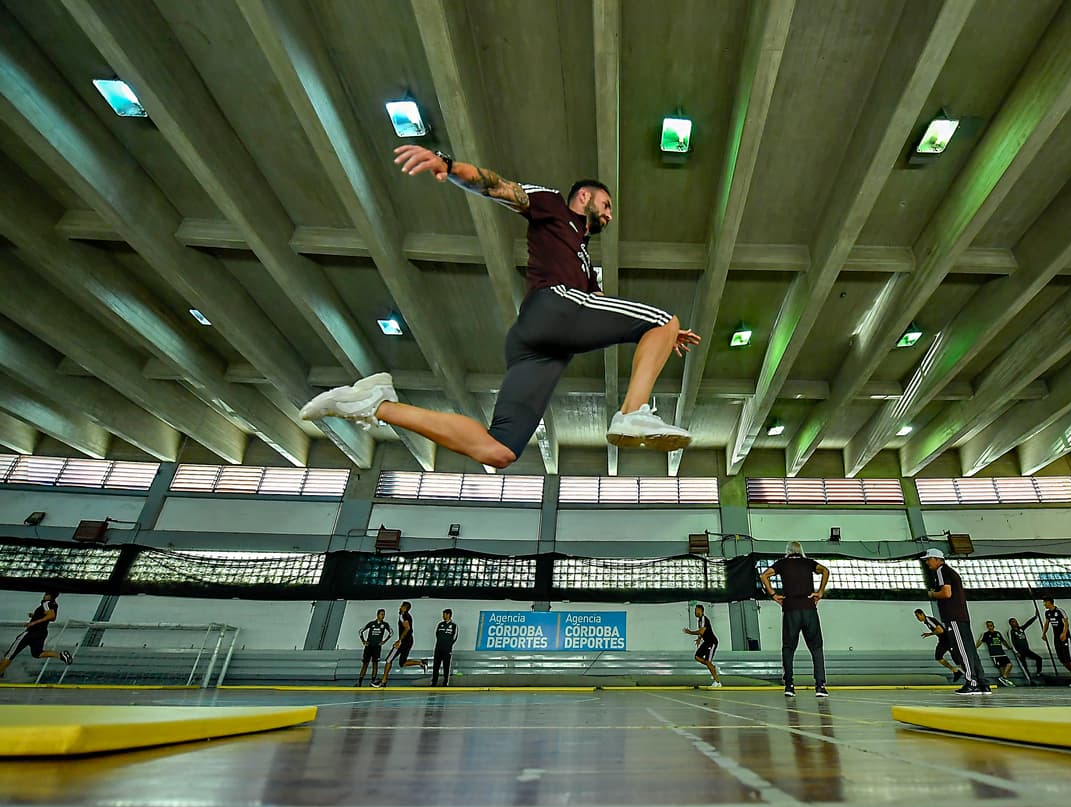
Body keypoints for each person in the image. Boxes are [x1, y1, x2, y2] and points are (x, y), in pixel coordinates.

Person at [299, 146, 701, 466]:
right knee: (664, 318)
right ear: (585, 196)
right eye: (607, 205)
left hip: (539, 347)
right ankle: (632, 413)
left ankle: (375, 403)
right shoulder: (554, 206)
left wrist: (663, 336)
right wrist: (448, 165)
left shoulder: (582, 258)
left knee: (499, 451)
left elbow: (599, 309)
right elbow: (500, 188)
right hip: (551, 306)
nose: (609, 215)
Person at [760, 542, 830, 697]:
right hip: (809, 608)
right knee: (816, 648)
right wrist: (820, 592)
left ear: (788, 552)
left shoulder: (782, 563)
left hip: (791, 609)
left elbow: (763, 575)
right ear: (801, 551)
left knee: (788, 648)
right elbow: (825, 571)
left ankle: (789, 686)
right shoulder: (809, 563)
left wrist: (773, 595)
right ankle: (820, 686)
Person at [922, 548, 989, 696]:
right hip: (962, 616)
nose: (927, 563)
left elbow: (946, 593)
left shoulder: (941, 571)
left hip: (953, 617)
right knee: (970, 650)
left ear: (937, 559)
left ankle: (971, 682)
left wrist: (932, 594)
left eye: (929, 560)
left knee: (962, 649)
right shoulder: (951, 572)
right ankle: (983, 683)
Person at [0, 591, 73, 679]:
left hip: (31, 632)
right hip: (41, 633)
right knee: (37, 653)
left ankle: (1, 672)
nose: (44, 596)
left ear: (50, 596)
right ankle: (61, 655)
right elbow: (51, 617)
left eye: (46, 594)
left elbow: (51, 616)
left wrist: (33, 622)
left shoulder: (46, 603)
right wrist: (34, 616)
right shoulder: (53, 604)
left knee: (10, 654)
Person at [378, 601, 425, 687]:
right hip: (409, 641)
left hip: (404, 642)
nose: (399, 608)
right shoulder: (408, 616)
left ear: (404, 608)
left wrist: (399, 640)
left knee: (389, 660)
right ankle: (421, 663)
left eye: (401, 606)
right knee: (402, 663)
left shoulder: (403, 615)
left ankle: (383, 682)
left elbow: (407, 628)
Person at [1041, 598, 1071, 687]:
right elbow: (1047, 623)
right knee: (1062, 660)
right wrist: (1044, 633)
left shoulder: (1060, 611)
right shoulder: (1047, 613)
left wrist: (1064, 633)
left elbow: (1066, 623)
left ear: (1049, 602)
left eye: (1045, 602)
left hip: (1065, 638)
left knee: (1069, 659)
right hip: (1056, 638)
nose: (1044, 604)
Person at [915, 609, 961, 682]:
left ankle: (968, 673)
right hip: (943, 640)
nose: (917, 618)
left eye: (918, 616)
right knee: (938, 657)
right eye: (916, 617)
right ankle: (955, 671)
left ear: (922, 614)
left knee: (957, 658)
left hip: (947, 640)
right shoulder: (926, 622)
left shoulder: (929, 620)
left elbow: (940, 630)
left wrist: (930, 634)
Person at [682, 604, 721, 688]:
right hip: (706, 642)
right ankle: (713, 667)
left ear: (700, 610)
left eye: (696, 610)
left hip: (712, 642)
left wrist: (690, 632)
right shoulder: (699, 620)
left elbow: (701, 631)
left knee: (708, 661)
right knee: (697, 657)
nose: (694, 612)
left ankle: (717, 682)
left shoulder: (703, 618)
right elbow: (702, 632)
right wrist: (699, 638)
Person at [356, 607, 393, 687]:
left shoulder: (385, 624)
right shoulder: (371, 623)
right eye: (381, 614)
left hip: (377, 647)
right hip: (369, 646)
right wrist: (363, 641)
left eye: (384, 615)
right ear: (377, 615)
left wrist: (384, 641)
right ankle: (359, 682)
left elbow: (391, 633)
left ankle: (372, 682)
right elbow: (360, 631)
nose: (383, 616)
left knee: (375, 664)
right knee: (365, 664)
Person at [976, 620, 1015, 686]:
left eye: (991, 625)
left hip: (1002, 653)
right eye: (988, 626)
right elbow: (980, 641)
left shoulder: (998, 633)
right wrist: (975, 648)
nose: (990, 627)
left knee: (1009, 664)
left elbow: (1003, 641)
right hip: (995, 655)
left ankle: (1003, 678)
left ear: (993, 626)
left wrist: (1009, 647)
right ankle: (1004, 681)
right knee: (1001, 668)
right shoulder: (986, 634)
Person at [1007, 616, 1044, 681]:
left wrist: (1035, 617)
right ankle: (1029, 679)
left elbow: (1028, 623)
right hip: (1019, 651)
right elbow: (1011, 642)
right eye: (1013, 622)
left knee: (1039, 658)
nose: (1015, 622)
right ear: (1010, 624)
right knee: (1024, 665)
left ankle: (1039, 673)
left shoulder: (1021, 629)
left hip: (1026, 649)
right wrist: (1016, 652)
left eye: (1015, 621)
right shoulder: (1011, 631)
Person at [432, 609, 459, 687]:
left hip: (447, 649)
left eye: (444, 614)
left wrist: (448, 645)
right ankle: (434, 682)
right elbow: (437, 634)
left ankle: (445, 682)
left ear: (448, 615)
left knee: (446, 666)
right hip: (438, 648)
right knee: (436, 666)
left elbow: (455, 637)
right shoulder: (440, 624)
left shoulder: (454, 625)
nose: (443, 616)